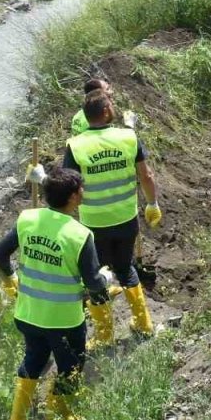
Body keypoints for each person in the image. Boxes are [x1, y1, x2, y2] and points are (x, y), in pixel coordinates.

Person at [0, 167, 110, 420]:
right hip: (63, 320)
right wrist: (104, 278)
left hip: (28, 313)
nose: (83, 192)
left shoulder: (28, 219)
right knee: (71, 367)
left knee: (34, 360)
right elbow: (93, 283)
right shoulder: (80, 235)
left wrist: (11, 278)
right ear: (72, 197)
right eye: (80, 189)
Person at [64, 90, 161, 347]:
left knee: (95, 275)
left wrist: (45, 182)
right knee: (125, 267)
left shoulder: (76, 145)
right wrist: (152, 203)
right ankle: (143, 324)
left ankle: (105, 336)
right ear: (106, 111)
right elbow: (146, 176)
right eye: (112, 104)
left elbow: (67, 185)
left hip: (93, 224)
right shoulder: (128, 137)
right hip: (126, 218)